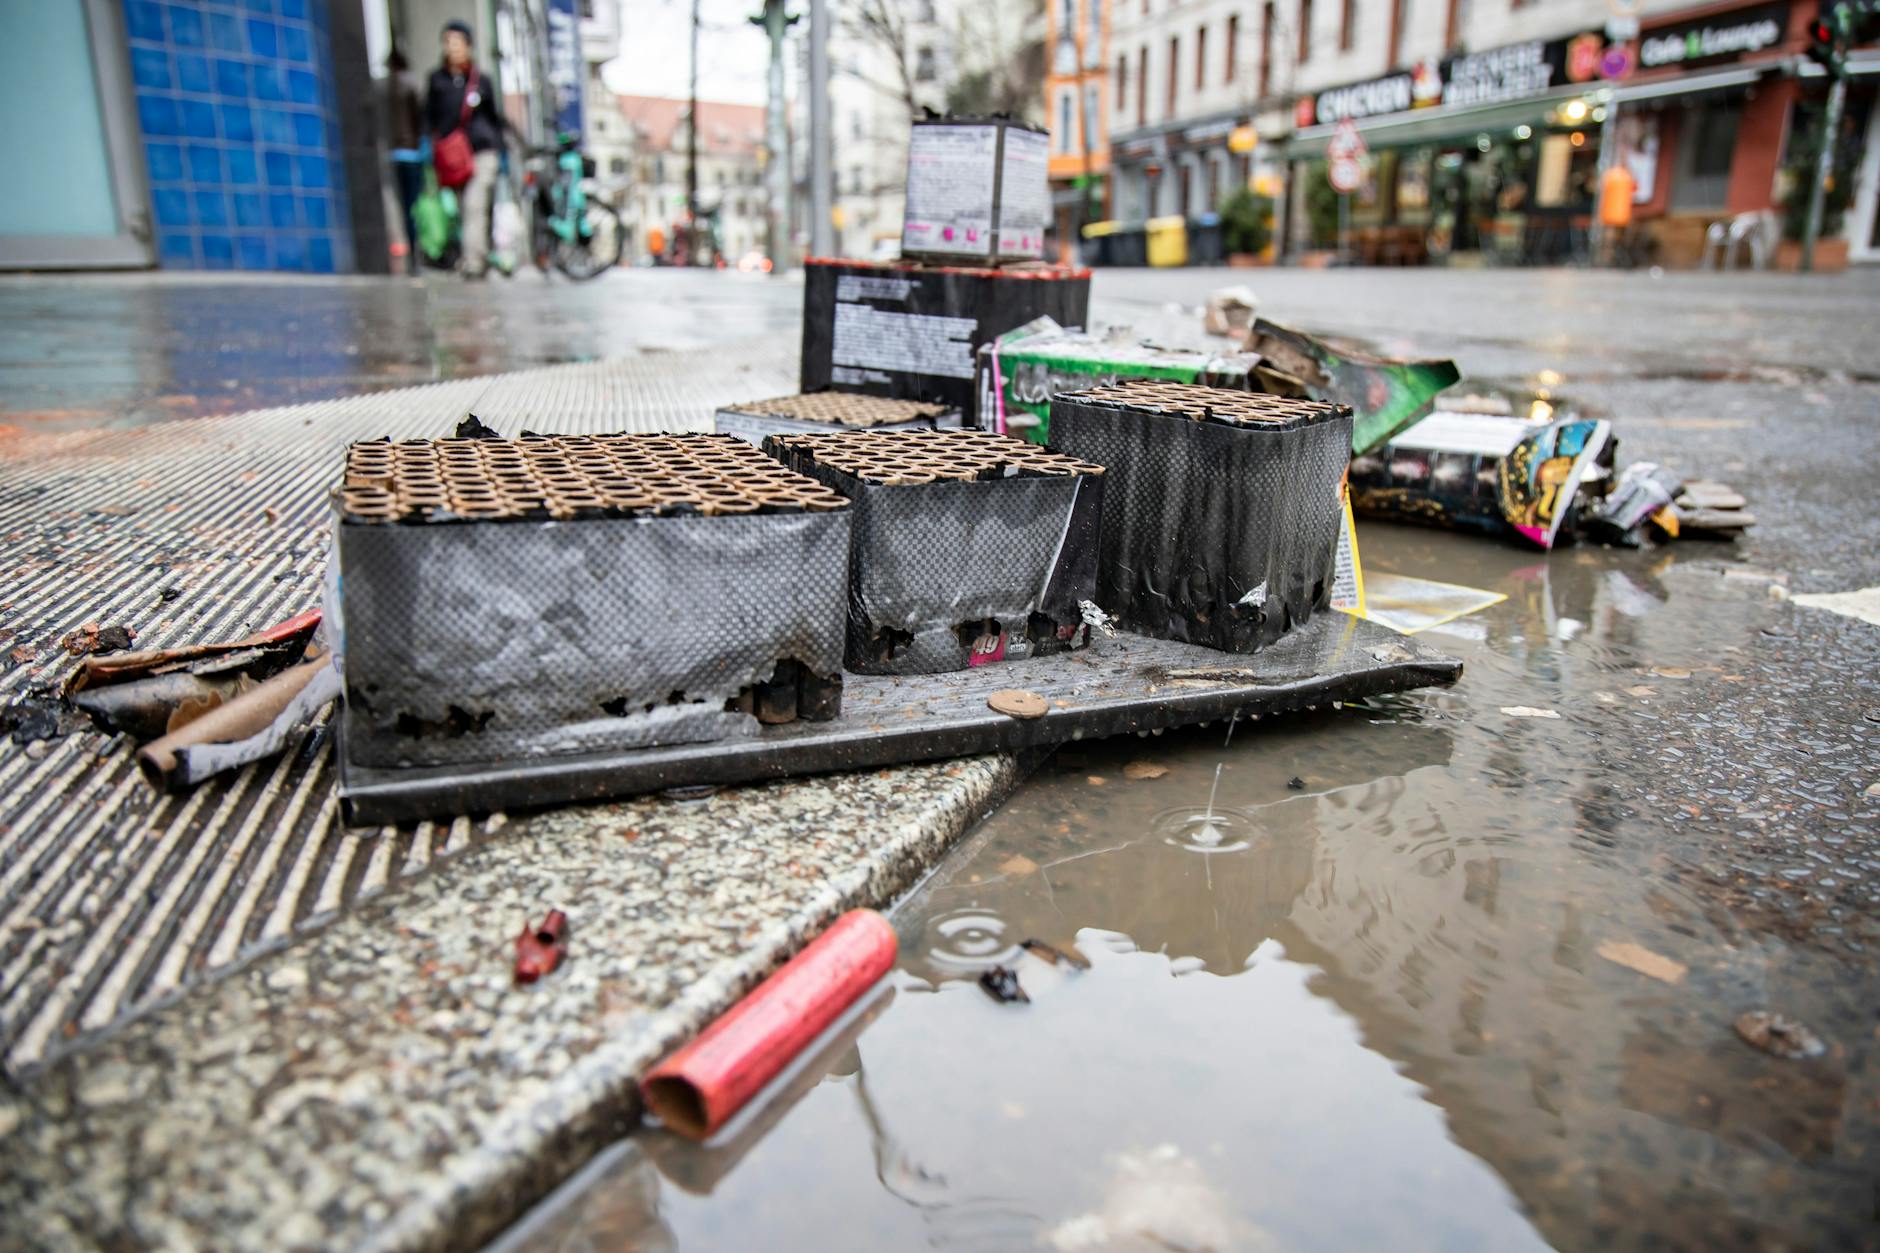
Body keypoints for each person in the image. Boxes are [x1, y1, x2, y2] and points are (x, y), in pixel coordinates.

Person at [426, 19, 506, 278]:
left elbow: (494, 118)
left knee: (475, 205)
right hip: (453, 157)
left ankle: (474, 263)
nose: (452, 47)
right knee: (462, 209)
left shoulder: (481, 81)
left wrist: (500, 149)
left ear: (469, 46)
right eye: (447, 42)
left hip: (482, 151)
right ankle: (474, 256)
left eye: (457, 42)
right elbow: (428, 117)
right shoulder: (437, 81)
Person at [379, 45, 425, 275]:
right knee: (415, 205)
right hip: (413, 153)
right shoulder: (412, 84)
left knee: (400, 206)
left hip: (392, 153)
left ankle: (406, 251)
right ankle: (417, 253)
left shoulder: (380, 87)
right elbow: (422, 115)